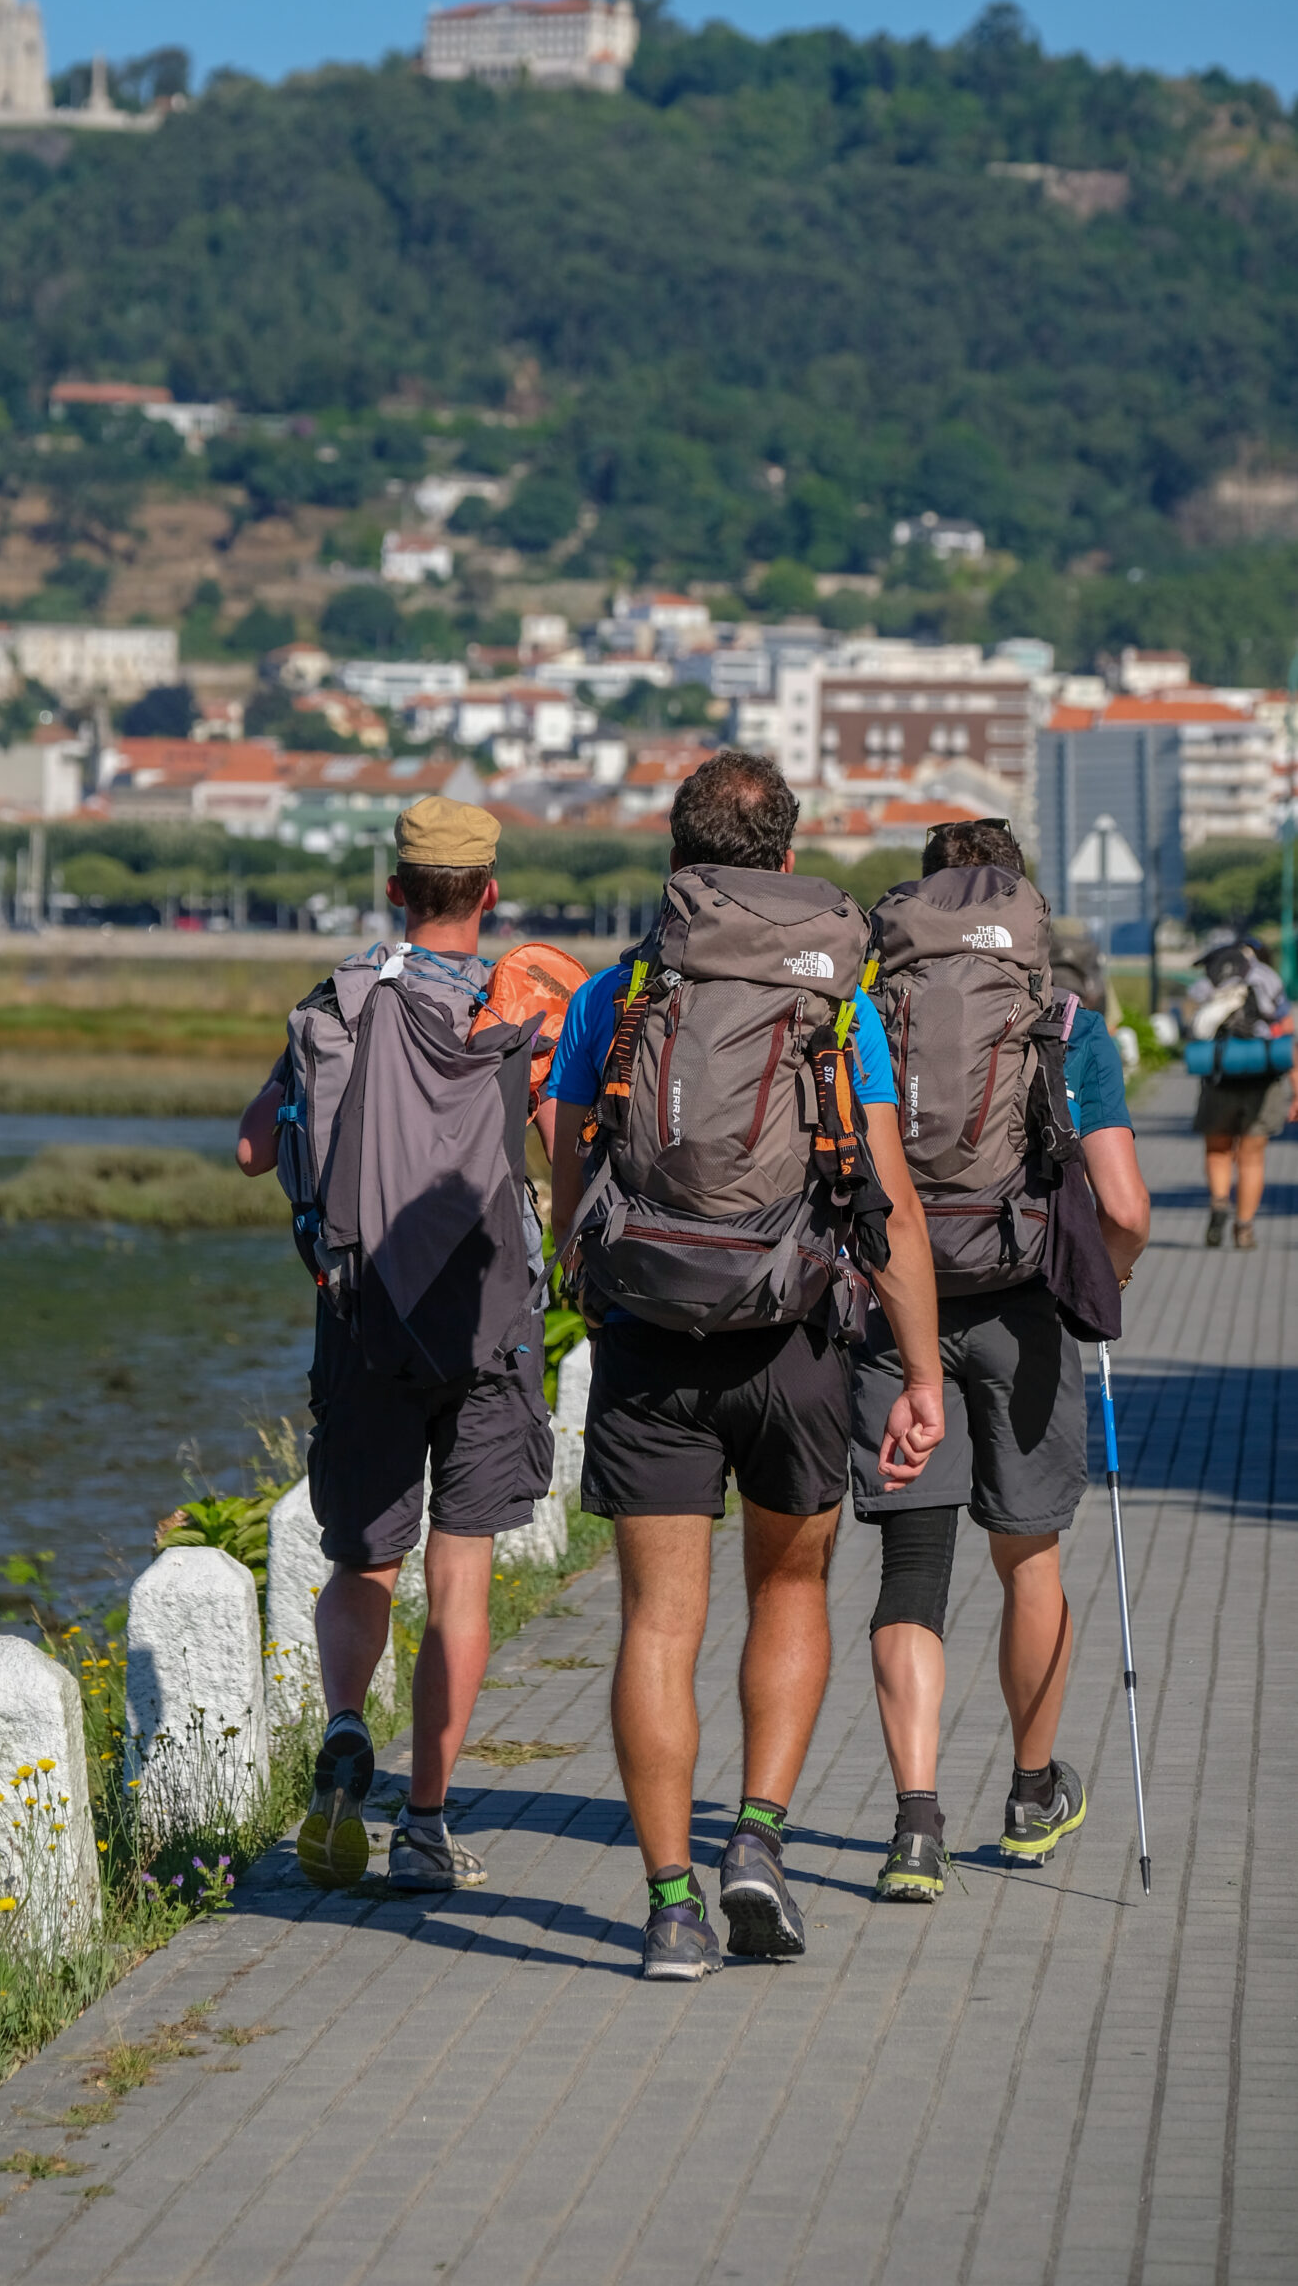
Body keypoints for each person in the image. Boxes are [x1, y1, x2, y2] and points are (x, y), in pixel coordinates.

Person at [541, 750, 945, 1979]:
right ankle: (758, 1844)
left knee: (659, 1620)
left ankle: (670, 1910)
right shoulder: (840, 1004)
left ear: (678, 857)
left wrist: (586, 1280)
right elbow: (893, 1206)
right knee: (790, 1591)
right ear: (784, 859)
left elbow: (564, 1155)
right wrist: (921, 1373)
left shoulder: (617, 992)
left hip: (652, 1331)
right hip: (797, 1336)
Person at [238, 795, 553, 1895]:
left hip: (360, 1313)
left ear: (396, 889)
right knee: (460, 1579)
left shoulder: (339, 998)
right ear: (489, 894)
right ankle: (424, 1819)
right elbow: (562, 1148)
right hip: (489, 1330)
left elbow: (247, 1146)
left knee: (364, 1557)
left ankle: (340, 1725)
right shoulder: (520, 1011)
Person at [849, 818, 1151, 1903]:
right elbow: (1123, 1206)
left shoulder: (870, 1016)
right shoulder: (1065, 1026)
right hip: (1025, 1311)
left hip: (896, 1315)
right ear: (1018, 905)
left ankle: (916, 1829)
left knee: (912, 1571)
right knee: (1031, 1563)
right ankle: (1031, 1795)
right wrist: (1097, 1283)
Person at [1186, 939, 1297, 1250]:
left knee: (1218, 1149)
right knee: (1251, 1159)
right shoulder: (1268, 977)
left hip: (1220, 1076)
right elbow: (1285, 1029)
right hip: (1263, 1077)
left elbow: (1192, 1020)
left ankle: (1220, 1204)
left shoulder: (1213, 975)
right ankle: (1244, 1228)